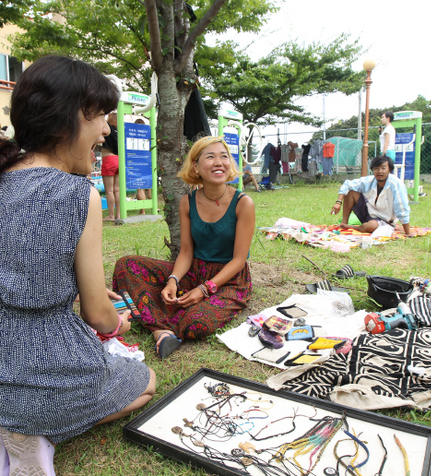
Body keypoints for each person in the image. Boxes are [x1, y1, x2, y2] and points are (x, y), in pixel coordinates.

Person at [0, 56, 156, 475]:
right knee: (145, 382)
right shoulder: (77, 193)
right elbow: (96, 315)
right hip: (42, 363)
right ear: (64, 119)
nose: (107, 128)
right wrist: (114, 326)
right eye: (100, 116)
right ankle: (36, 431)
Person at [113, 136, 255, 360]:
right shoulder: (187, 202)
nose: (219, 162)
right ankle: (161, 330)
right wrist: (173, 280)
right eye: (210, 157)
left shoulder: (243, 203)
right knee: (126, 265)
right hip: (194, 272)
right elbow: (187, 252)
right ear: (196, 166)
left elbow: (239, 260)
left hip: (230, 280)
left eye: (224, 157)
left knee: (194, 324)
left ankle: (153, 318)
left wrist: (204, 289)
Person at [331, 155, 411, 234]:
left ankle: (351, 227)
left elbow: (402, 208)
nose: (380, 171)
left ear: (389, 169)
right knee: (351, 192)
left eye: (383, 168)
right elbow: (348, 184)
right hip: (369, 213)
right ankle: (344, 223)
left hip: (385, 221)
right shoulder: (370, 180)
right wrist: (338, 202)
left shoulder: (396, 184)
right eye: (376, 168)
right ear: (373, 170)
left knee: (371, 225)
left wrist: (408, 233)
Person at [101, 112, 120, 221]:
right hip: (118, 160)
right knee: (117, 190)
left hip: (108, 159)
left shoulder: (106, 129)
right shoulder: (119, 131)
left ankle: (111, 215)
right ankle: (118, 214)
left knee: (109, 190)